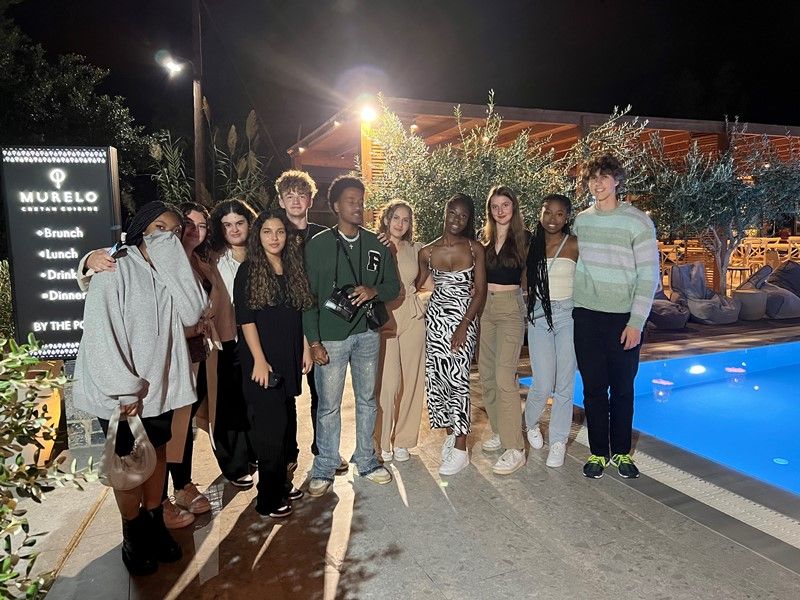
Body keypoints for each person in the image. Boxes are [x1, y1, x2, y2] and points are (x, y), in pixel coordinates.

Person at [73, 201, 206, 575]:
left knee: (157, 454)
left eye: (174, 230)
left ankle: (153, 520)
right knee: (129, 466)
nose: (168, 235)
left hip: (160, 388)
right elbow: (100, 335)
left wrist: (172, 260)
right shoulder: (114, 267)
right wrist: (125, 390)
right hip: (122, 393)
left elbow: (192, 312)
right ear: (142, 229)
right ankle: (133, 533)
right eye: (160, 227)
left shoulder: (172, 271)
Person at [303, 175, 399, 497]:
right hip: (330, 338)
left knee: (367, 400)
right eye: (350, 201)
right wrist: (314, 341)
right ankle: (325, 466)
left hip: (367, 334)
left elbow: (393, 287)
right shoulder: (318, 245)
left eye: (361, 201)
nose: (358, 206)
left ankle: (366, 460)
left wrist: (373, 291)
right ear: (335, 206)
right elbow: (307, 299)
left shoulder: (376, 243)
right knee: (328, 405)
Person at [572, 155, 659, 479]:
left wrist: (636, 322)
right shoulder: (581, 221)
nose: (598, 184)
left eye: (604, 177)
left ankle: (621, 452)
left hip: (623, 319)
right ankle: (598, 452)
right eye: (592, 178)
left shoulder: (638, 221)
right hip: (587, 315)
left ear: (617, 180)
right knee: (593, 390)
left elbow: (648, 275)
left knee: (622, 390)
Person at [234, 208, 314, 518]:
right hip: (262, 361)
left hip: (288, 357)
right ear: (258, 236)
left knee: (286, 425)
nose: (274, 237)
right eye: (267, 232)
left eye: (280, 231)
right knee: (270, 430)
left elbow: (300, 311)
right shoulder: (248, 270)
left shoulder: (292, 267)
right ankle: (267, 498)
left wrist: (305, 348)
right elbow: (246, 320)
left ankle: (280, 482)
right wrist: (259, 360)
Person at [275, 170, 346, 474]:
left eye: (301, 195)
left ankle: (325, 450)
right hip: (286, 323)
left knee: (323, 393)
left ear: (310, 199)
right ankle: (288, 453)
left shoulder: (324, 235)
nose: (295, 200)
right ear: (281, 201)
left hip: (319, 322)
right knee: (286, 393)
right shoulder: (274, 233)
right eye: (289, 195)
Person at [416, 193, 487, 475]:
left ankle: (461, 448)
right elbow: (415, 284)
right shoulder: (427, 252)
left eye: (463, 215)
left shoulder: (474, 248)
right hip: (435, 320)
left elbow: (480, 292)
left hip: (463, 320)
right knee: (438, 380)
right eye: (453, 213)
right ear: (445, 213)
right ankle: (449, 435)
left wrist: (464, 325)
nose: (457, 219)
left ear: (469, 220)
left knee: (458, 380)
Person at [524, 194, 579, 469]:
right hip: (538, 315)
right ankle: (530, 423)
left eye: (559, 214)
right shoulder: (531, 245)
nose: (553, 219)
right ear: (540, 213)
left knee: (565, 383)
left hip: (568, 315)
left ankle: (558, 441)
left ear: (567, 217)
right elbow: (522, 282)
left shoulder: (575, 244)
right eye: (548, 212)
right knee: (543, 382)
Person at [207, 199, 259, 487]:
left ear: (249, 223)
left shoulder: (261, 252)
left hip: (258, 337)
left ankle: (253, 453)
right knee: (227, 403)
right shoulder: (213, 257)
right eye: (227, 225)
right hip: (226, 338)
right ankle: (234, 464)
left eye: (239, 223)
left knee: (253, 399)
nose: (234, 229)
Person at [478, 186, 530, 475]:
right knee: (487, 376)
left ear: (514, 207)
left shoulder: (525, 238)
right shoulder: (483, 240)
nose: (500, 211)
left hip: (510, 308)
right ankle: (500, 430)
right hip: (486, 308)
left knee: (504, 378)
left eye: (505, 205)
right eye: (495, 206)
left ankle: (515, 448)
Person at [374, 199, 428, 463]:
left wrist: (421, 301)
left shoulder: (416, 249)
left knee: (412, 381)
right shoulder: (375, 245)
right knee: (387, 384)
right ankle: (381, 440)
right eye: (396, 217)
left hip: (413, 316)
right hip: (386, 316)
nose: (400, 223)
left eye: (406, 219)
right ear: (386, 219)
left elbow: (429, 283)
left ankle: (404, 441)